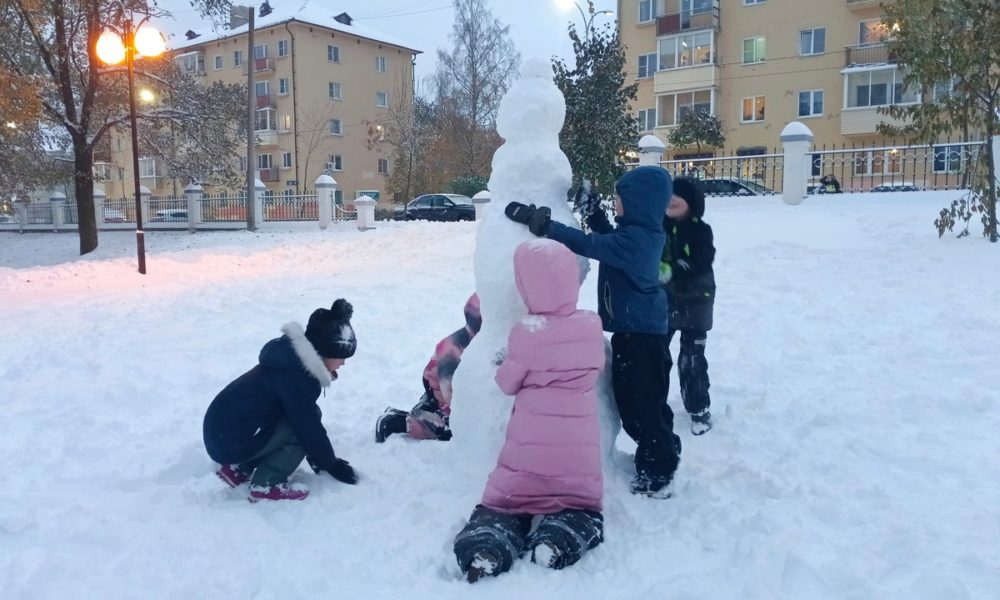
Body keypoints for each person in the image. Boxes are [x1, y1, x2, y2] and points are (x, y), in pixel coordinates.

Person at [504, 166, 682, 499]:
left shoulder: (638, 241)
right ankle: (665, 446)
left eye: (620, 199)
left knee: (639, 407)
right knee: (649, 402)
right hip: (640, 333)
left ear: (639, 203)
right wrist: (595, 212)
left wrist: (543, 226)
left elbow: (591, 245)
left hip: (641, 338)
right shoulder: (641, 233)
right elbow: (610, 242)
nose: (616, 202)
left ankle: (659, 470)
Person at [453, 239, 606, 582]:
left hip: (529, 447)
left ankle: (491, 541)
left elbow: (507, 383)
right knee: (578, 500)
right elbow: (595, 367)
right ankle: (562, 535)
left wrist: (503, 362)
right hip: (578, 452)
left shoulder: (529, 332)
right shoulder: (591, 325)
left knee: (506, 501)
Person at [203, 299, 360, 502]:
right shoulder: (298, 378)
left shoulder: (290, 359)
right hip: (231, 440)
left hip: (223, 434)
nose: (343, 363)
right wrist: (329, 463)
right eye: (340, 357)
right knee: (300, 430)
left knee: (300, 417)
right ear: (324, 352)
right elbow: (308, 428)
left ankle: (239, 469)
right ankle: (266, 482)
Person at [374, 293, 482, 443]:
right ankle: (396, 422)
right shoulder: (453, 349)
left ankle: (426, 408)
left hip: (448, 389)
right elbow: (451, 394)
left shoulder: (478, 341)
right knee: (452, 430)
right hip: (440, 390)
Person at [661, 177, 716, 435]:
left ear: (691, 203)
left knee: (692, 359)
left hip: (695, 302)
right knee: (657, 354)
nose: (672, 199)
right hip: (666, 301)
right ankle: (653, 402)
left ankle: (698, 409)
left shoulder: (700, 230)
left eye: (679, 196)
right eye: (669, 194)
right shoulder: (658, 226)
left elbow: (705, 257)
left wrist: (685, 267)